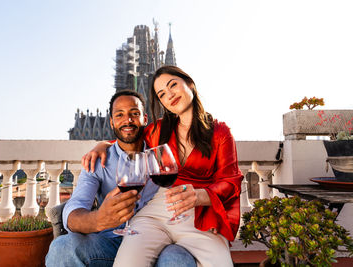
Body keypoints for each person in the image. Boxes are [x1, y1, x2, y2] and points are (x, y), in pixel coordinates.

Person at [82, 66, 243, 267]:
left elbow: (231, 181)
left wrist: (200, 196)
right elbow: (127, 136)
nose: (170, 95)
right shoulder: (157, 130)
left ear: (189, 84)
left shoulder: (220, 132)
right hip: (156, 213)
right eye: (162, 94)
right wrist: (103, 145)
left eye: (173, 85)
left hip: (198, 216)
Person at [46, 90, 197, 267]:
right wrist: (98, 220)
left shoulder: (160, 158)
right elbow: (74, 209)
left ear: (145, 119)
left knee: (178, 259)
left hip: (158, 243)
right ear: (111, 122)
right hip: (109, 245)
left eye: (134, 113)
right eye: (120, 115)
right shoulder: (98, 161)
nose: (128, 120)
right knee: (62, 247)